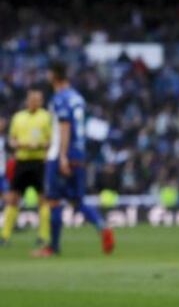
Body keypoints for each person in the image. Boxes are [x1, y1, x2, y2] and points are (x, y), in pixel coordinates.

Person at [35, 61, 114, 257]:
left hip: (61, 154)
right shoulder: (77, 97)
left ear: (53, 75)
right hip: (78, 153)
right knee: (78, 201)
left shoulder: (59, 98)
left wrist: (61, 155)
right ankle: (102, 226)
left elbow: (64, 126)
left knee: (53, 201)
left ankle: (53, 247)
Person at [2, 87, 52, 249]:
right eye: (33, 99)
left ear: (41, 101)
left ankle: (43, 236)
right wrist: (20, 144)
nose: (35, 102)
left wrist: (40, 145)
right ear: (27, 100)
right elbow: (11, 140)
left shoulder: (46, 117)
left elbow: (51, 141)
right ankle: (4, 235)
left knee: (43, 199)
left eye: (38, 100)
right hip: (22, 162)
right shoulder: (18, 118)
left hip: (39, 162)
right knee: (13, 198)